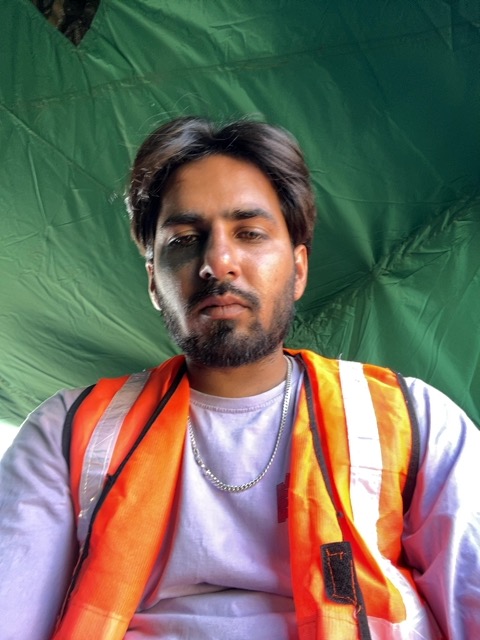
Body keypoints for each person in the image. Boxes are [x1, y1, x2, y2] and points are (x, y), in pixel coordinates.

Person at [0, 116, 479, 640]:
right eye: (185, 239)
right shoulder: (69, 431)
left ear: (299, 269)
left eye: (249, 233)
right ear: (154, 284)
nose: (218, 261)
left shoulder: (414, 419)